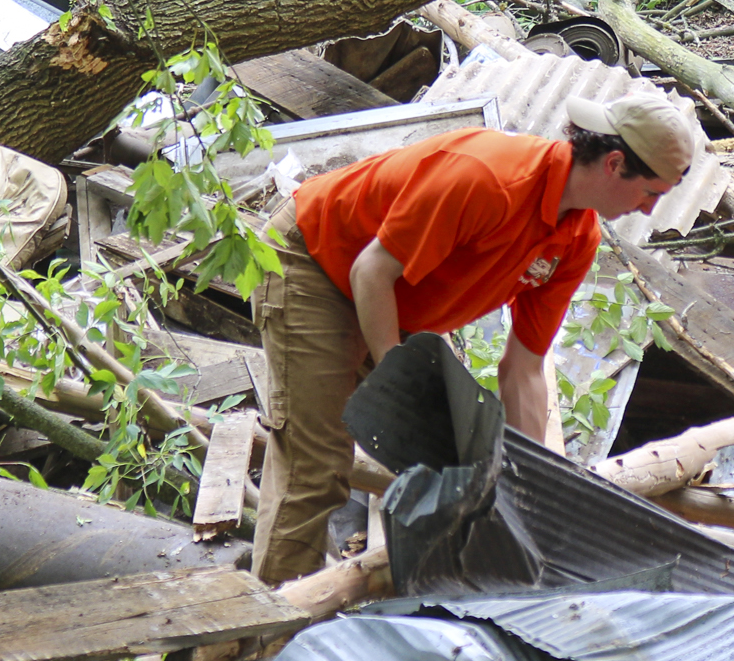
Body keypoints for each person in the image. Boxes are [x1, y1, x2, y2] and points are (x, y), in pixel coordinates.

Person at [248, 92, 696, 584]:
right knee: (316, 463)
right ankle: (270, 631)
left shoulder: (577, 238)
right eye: (651, 193)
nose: (650, 210)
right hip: (315, 263)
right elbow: (371, 271)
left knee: (449, 459)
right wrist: (399, 381)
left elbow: (524, 368)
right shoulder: (488, 179)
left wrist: (533, 490)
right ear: (615, 164)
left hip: (388, 297)